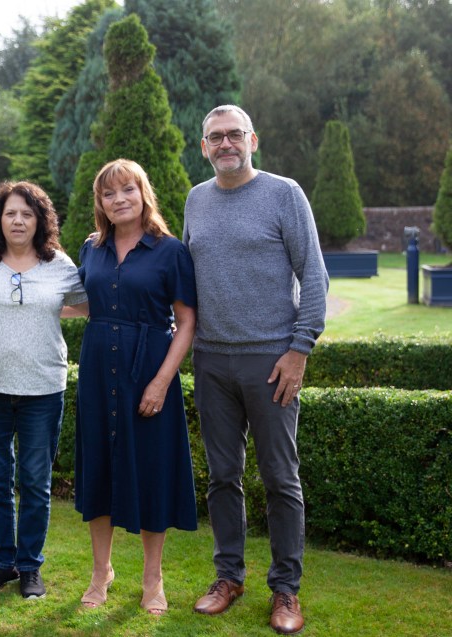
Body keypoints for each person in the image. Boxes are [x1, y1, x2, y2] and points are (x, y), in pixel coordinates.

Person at [183, 105, 328, 635]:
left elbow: (313, 274)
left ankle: (286, 589)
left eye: (234, 135)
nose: (225, 144)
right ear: (203, 147)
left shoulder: (284, 193)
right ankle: (229, 577)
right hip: (211, 360)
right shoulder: (196, 201)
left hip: (271, 360)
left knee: (279, 477)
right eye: (215, 137)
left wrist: (299, 349)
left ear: (253, 140)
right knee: (223, 476)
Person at [73, 159, 198, 615]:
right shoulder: (91, 248)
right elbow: (81, 305)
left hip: (149, 368)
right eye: (109, 194)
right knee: (101, 469)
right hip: (96, 369)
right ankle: (100, 573)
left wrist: (161, 382)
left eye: (127, 189)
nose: (119, 199)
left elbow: (186, 323)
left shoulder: (170, 250)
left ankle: (152, 578)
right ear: (100, 203)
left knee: (150, 470)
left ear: (144, 193)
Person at [0, 181, 87, 601]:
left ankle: (30, 566)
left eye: (27, 214)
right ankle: (3, 562)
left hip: (43, 389)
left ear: (40, 220)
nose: (18, 220)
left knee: (34, 482)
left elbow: (87, 306)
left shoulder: (60, 265)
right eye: (11, 213)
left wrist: (46, 306)